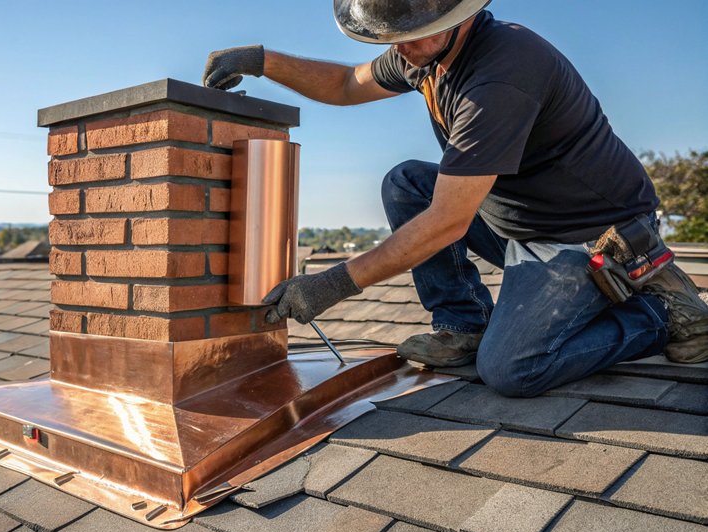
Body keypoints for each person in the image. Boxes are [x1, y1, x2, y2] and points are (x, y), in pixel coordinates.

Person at [202, 0, 708, 397]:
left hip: (590, 237)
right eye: (390, 38)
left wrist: (331, 285)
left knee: (512, 370)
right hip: (520, 222)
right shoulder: (423, 49)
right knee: (407, 182)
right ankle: (463, 325)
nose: (398, 51)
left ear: (456, 15)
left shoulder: (501, 73)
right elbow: (344, 83)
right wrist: (261, 61)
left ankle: (660, 311)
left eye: (407, 37)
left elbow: (447, 222)